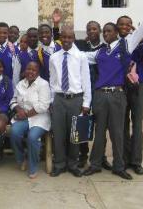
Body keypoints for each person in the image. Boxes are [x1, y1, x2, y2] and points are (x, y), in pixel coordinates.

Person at [83, 0, 143, 180]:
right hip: (100, 96)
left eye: (109, 31)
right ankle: (96, 163)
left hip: (118, 94)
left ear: (116, 32)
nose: (106, 34)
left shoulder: (126, 45)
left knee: (118, 132)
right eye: (104, 32)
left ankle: (120, 165)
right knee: (100, 132)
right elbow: (77, 56)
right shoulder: (100, 52)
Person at [49, 25, 91, 178]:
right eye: (64, 37)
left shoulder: (81, 57)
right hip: (59, 99)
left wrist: (86, 103)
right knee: (59, 133)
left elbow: (86, 81)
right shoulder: (54, 57)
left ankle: (73, 164)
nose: (66, 40)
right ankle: (59, 164)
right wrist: (52, 101)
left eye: (69, 37)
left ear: (73, 38)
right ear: (60, 39)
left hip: (76, 99)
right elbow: (52, 81)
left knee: (75, 134)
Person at [117, 15, 143, 175]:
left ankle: (136, 161)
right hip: (121, 87)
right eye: (122, 24)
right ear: (117, 26)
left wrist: (142, 39)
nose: (125, 27)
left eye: (128, 24)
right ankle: (124, 160)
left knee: (137, 125)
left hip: (137, 88)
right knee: (123, 125)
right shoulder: (115, 42)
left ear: (132, 26)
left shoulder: (138, 40)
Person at [74, 21, 111, 170]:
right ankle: (82, 155)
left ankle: (101, 157)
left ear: (100, 31)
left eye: (94, 29)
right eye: (89, 29)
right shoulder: (80, 45)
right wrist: (56, 25)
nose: (92, 31)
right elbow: (62, 41)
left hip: (99, 91)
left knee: (101, 126)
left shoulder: (105, 48)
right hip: (83, 91)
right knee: (83, 123)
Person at [10, 62, 51, 179]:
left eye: (34, 70)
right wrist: (18, 109)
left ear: (38, 72)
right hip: (23, 116)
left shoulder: (43, 84)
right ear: (25, 70)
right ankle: (21, 159)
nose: (30, 72)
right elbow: (13, 100)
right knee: (14, 132)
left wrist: (26, 114)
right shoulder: (20, 84)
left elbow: (44, 106)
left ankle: (33, 166)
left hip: (39, 117)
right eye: (28, 69)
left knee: (32, 137)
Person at [0, 22, 20, 86]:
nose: (2, 35)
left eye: (4, 33)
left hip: (9, 84)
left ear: (8, 33)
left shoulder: (15, 49)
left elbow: (16, 70)